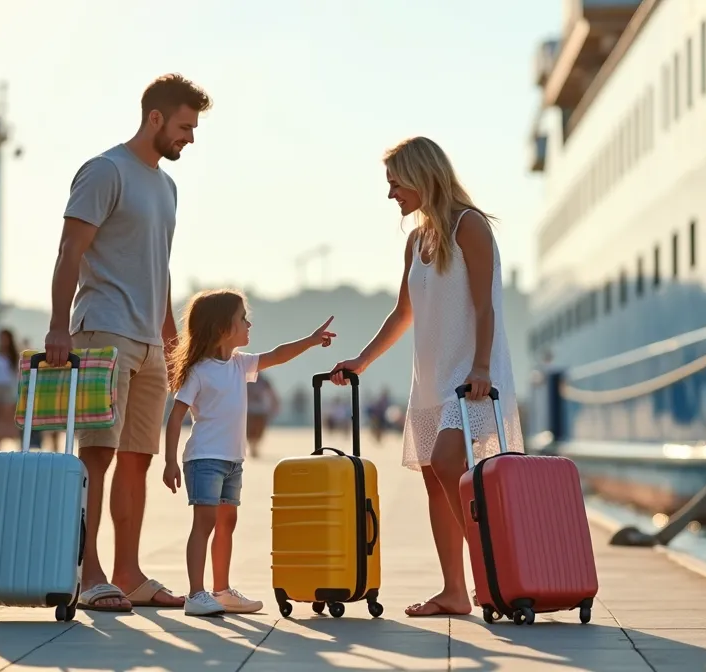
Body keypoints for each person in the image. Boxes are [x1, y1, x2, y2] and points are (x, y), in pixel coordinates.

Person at [330, 136, 524, 617]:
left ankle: (496, 570)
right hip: (432, 378)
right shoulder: (417, 241)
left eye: (396, 183)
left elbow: (485, 307)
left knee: (446, 461)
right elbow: (403, 313)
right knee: (435, 481)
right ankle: (454, 591)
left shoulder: (469, 225)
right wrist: (362, 360)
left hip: (472, 374)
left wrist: (482, 367)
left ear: (421, 176)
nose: (390, 194)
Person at [43, 73, 212, 612]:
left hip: (149, 343)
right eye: (184, 126)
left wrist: (172, 339)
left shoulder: (167, 187)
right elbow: (70, 251)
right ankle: (88, 572)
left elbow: (159, 265)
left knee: (138, 458)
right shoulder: (105, 171)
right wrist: (58, 325)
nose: (190, 137)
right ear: (154, 118)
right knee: (97, 455)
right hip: (104, 330)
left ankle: (128, 573)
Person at [161, 289, 336, 616]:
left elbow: (278, 355)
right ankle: (196, 594)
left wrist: (311, 341)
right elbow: (175, 418)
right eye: (242, 318)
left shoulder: (240, 364)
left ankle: (222, 591)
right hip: (204, 459)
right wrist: (170, 461)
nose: (248, 324)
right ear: (222, 328)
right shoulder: (199, 371)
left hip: (232, 460)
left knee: (227, 522)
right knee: (205, 522)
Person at [244, 373, 278, 459]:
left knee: (258, 431)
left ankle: (254, 446)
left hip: (260, 410)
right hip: (248, 410)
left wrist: (274, 405)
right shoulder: (246, 379)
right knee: (249, 431)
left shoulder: (264, 381)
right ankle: (252, 446)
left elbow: (271, 394)